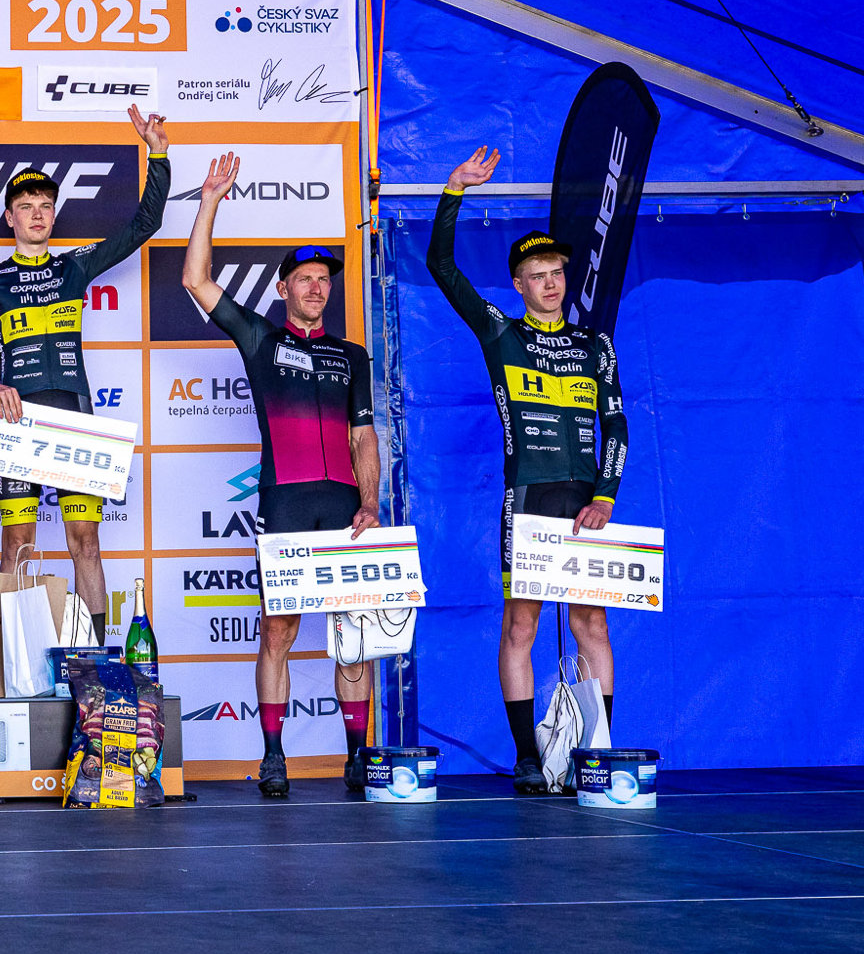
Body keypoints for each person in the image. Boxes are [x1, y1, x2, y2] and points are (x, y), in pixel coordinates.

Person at [181, 152, 380, 798]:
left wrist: (370, 502)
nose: (316, 288)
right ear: (283, 289)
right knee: (278, 628)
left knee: (353, 634)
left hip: (345, 505)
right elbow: (195, 279)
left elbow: (363, 435)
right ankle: (273, 755)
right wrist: (209, 201)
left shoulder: (352, 355)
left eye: (324, 280)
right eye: (304, 279)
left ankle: (357, 754)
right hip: (286, 500)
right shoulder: (262, 339)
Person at [429, 146, 627, 794]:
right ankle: (525, 757)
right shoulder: (500, 333)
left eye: (557, 272)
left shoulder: (595, 345)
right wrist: (454, 190)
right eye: (537, 275)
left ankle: (596, 750)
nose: (550, 283)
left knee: (591, 624)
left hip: (586, 502)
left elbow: (617, 426)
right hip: (528, 499)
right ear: (518, 284)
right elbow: (441, 267)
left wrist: (605, 495)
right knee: (522, 624)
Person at [0, 104, 171, 639]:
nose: (37, 214)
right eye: (26, 207)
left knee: (85, 542)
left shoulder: (74, 266)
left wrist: (157, 155)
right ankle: (6, 662)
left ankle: (97, 656)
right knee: (17, 544)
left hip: (73, 419)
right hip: (16, 424)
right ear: (10, 217)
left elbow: (146, 224)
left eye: (45, 205)